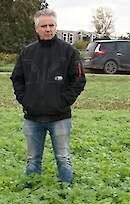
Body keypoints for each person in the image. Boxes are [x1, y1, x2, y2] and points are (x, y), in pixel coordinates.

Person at [10, 8, 86, 185]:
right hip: (32, 117)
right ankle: (31, 191)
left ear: (56, 27)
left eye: (51, 25)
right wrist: (25, 100)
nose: (48, 29)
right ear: (36, 28)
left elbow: (79, 79)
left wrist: (63, 101)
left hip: (60, 117)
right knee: (32, 158)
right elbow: (17, 79)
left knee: (63, 157)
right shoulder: (27, 53)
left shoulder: (69, 52)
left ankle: (66, 191)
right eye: (43, 26)